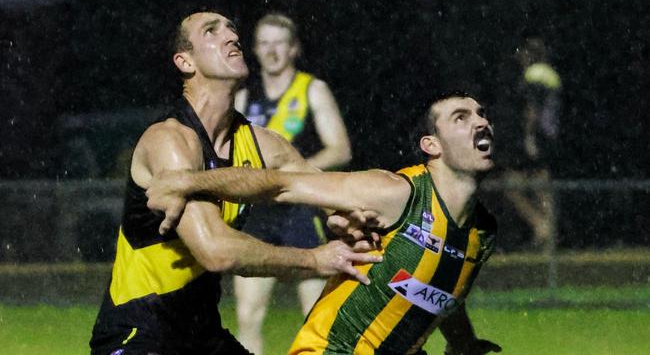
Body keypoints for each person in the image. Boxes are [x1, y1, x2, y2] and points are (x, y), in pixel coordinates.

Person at [88, 10, 381, 355]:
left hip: (202, 337)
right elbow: (216, 251)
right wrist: (315, 260)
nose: (231, 36)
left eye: (231, 28)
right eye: (212, 31)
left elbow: (331, 190)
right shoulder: (170, 140)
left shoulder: (264, 145)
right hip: (139, 335)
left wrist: (349, 217)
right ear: (185, 62)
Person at [147, 92, 503, 354]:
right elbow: (282, 185)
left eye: (481, 114)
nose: (481, 121)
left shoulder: (482, 231)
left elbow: (445, 284)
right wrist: (187, 181)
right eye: (461, 117)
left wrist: (463, 342)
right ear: (432, 145)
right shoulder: (395, 193)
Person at [232, 13, 352, 355]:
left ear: (294, 48)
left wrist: (292, 175)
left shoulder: (312, 89)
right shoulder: (243, 97)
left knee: (315, 316)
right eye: (265, 43)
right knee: (248, 315)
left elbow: (340, 148)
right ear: (255, 49)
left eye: (279, 43)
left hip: (302, 209)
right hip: (258, 212)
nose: (272, 51)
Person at [505, 37, 561, 253]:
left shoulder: (534, 76)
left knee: (511, 186)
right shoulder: (551, 75)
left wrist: (528, 138)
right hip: (550, 138)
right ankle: (549, 241)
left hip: (536, 141)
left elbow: (532, 109)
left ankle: (541, 227)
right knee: (543, 189)